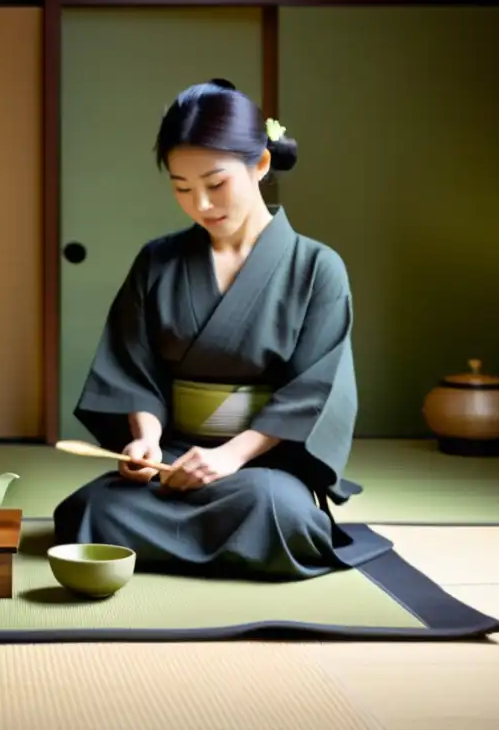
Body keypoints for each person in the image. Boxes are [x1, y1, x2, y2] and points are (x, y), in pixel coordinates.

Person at [52, 78, 393, 581]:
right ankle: (228, 547)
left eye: (216, 184)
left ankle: (203, 537)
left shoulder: (317, 267)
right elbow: (132, 368)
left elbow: (313, 390)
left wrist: (230, 457)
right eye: (182, 188)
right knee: (87, 512)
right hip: (174, 459)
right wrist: (145, 443)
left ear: (260, 165)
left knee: (280, 511)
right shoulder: (158, 261)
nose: (201, 205)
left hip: (259, 466)